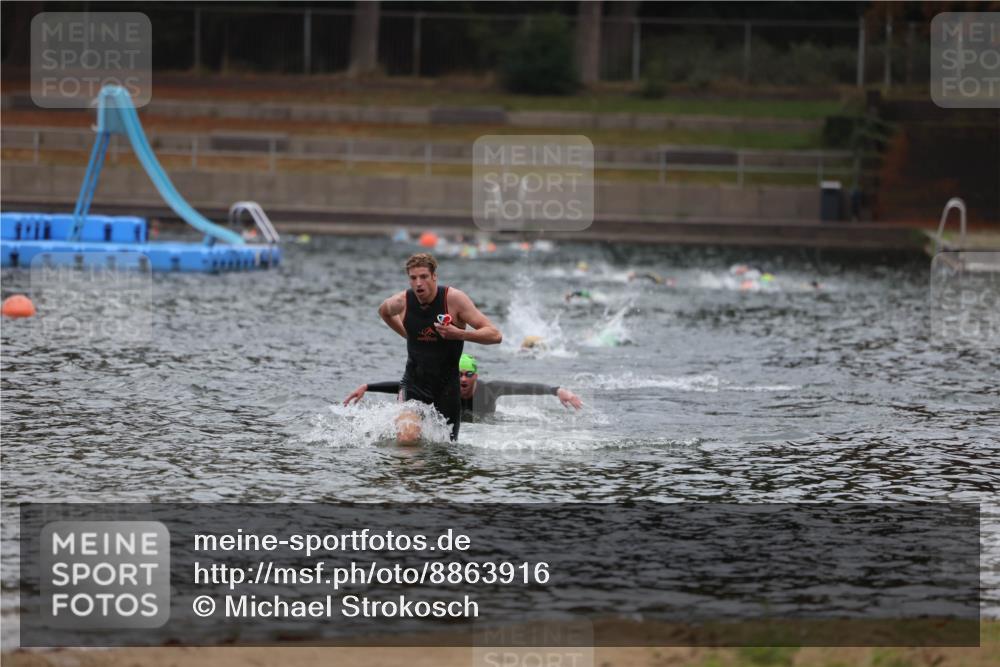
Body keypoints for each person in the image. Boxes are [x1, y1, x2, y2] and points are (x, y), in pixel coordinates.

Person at [377, 253, 502, 444]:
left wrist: (459, 333)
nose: (419, 283)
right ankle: (409, 472)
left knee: (445, 452)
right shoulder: (402, 301)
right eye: (413, 278)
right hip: (414, 384)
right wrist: (407, 335)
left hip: (447, 390)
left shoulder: (454, 300)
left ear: (434, 276)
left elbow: (495, 335)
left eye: (424, 277)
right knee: (407, 438)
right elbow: (384, 312)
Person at [344, 354, 583, 422]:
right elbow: (404, 385)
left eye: (468, 374)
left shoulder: (490, 389)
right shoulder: (442, 386)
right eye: (458, 375)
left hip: (486, 425)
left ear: (476, 376)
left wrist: (557, 390)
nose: (463, 379)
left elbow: (523, 387)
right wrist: (367, 386)